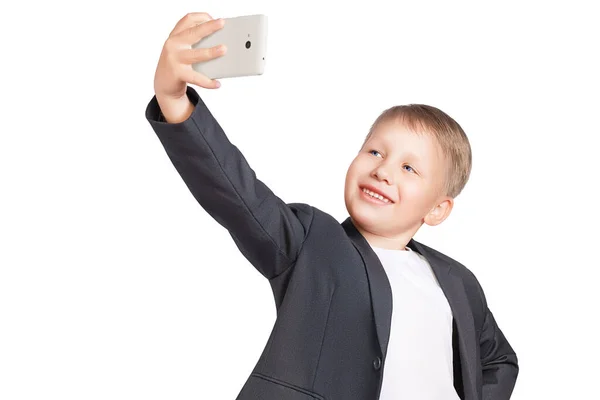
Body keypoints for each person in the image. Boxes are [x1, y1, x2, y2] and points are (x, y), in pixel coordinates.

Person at [145, 12, 519, 400]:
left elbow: (498, 360)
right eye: (375, 151)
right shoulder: (310, 243)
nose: (383, 171)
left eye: (408, 167)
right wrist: (173, 100)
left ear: (437, 210)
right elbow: (237, 195)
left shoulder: (458, 282)